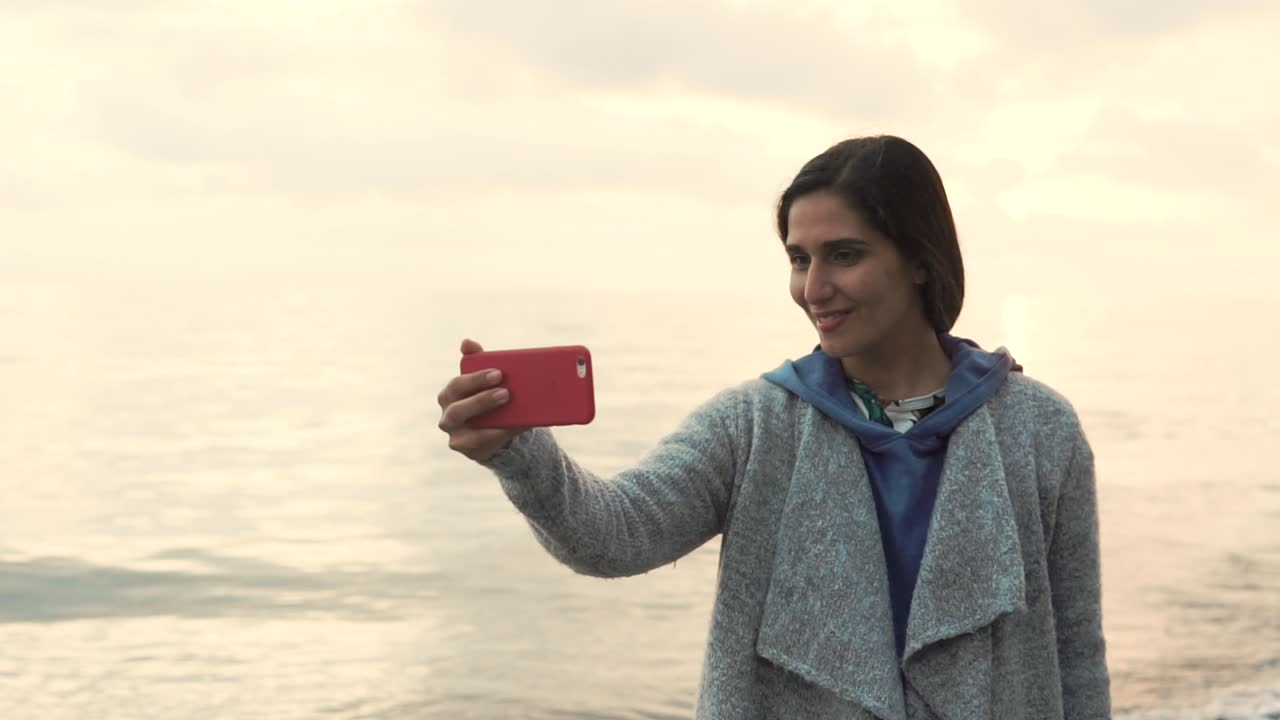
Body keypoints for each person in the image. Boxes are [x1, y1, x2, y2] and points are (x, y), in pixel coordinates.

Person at [436, 135, 1110, 719]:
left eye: (843, 255)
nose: (813, 288)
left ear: (919, 260)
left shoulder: (1038, 430)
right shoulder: (757, 423)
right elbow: (614, 534)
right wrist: (519, 453)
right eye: (798, 258)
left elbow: (1077, 650)